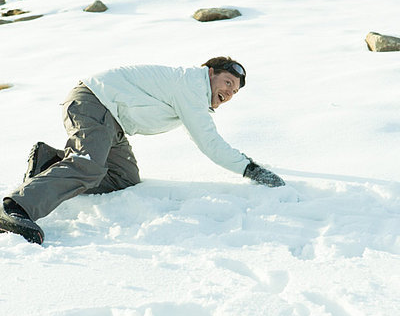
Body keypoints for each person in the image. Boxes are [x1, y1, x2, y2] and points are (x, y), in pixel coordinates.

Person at [0, 57, 285, 244]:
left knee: (124, 179)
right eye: (228, 83)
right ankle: (16, 207)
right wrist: (250, 168)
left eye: (234, 92)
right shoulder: (191, 86)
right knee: (88, 165)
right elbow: (209, 142)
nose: (229, 93)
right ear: (210, 73)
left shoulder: (191, 90)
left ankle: (48, 164)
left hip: (113, 121)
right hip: (95, 102)